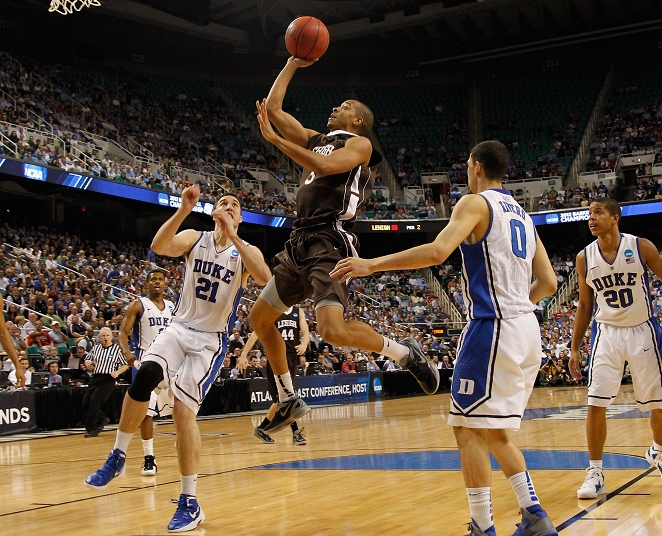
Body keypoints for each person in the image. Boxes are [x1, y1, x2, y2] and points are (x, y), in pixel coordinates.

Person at [330, 140, 558, 536]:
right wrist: (518, 306)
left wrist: (371, 265)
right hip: (527, 331)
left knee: (466, 428)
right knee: (493, 431)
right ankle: (535, 516)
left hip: (493, 328)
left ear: (475, 167)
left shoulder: (475, 203)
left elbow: (438, 251)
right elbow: (550, 282)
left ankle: (482, 527)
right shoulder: (523, 214)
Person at [251, 60, 439, 435]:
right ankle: (288, 397)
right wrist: (292, 62)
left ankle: (403, 352)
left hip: (330, 240)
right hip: (299, 240)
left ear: (357, 121)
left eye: (346, 105)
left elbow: (325, 167)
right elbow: (273, 108)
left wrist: (276, 141)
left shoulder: (359, 144)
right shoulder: (315, 138)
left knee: (332, 331)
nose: (337, 107)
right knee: (259, 318)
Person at [85, 186, 271, 533]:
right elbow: (158, 246)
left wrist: (234, 236)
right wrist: (184, 209)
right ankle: (119, 455)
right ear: (213, 212)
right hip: (179, 327)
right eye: (223, 203)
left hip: (210, 341)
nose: (229, 206)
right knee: (144, 376)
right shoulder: (195, 237)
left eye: (235, 205)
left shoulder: (245, 251)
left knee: (184, 411)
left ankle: (190, 501)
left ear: (241, 217)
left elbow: (264, 278)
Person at [568, 197, 662, 499]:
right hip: (607, 332)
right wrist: (575, 348)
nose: (591, 218)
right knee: (595, 403)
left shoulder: (641, 247)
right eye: (589, 214)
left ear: (614, 218)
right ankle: (595, 471)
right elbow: (585, 304)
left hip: (643, 330)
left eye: (598, 213)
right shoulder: (584, 257)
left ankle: (659, 453)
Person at [118, 269, 175, 477]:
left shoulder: (171, 307)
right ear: (147, 284)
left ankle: (184, 446)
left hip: (170, 363)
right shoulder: (138, 305)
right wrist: (127, 352)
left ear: (165, 284)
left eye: (160, 279)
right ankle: (149, 458)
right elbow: (123, 333)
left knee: (182, 408)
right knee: (146, 413)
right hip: (145, 363)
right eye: (153, 279)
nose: (157, 283)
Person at [244, 305, 310, 445]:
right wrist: (244, 354)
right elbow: (256, 333)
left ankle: (262, 429)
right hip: (276, 357)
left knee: (282, 400)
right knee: (287, 398)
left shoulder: (298, 311)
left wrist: (304, 343)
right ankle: (296, 433)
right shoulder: (272, 311)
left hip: (292, 357)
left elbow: (305, 330)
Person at [82, 327, 128, 437]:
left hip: (108, 379)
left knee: (95, 400)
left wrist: (117, 372)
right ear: (100, 338)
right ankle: (102, 418)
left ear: (112, 337)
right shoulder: (96, 348)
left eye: (107, 335)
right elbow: (88, 360)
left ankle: (93, 428)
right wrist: (87, 363)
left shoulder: (117, 349)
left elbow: (125, 365)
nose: (105, 338)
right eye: (103, 336)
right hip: (96, 377)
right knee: (85, 401)